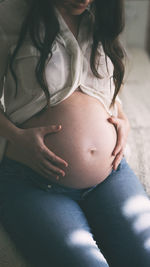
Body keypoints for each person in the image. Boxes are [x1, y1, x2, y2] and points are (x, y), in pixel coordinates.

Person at [0, 0, 150, 266]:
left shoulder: (103, 19)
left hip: (110, 177)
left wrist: (123, 120)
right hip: (33, 182)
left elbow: (110, 92)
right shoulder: (12, 16)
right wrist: (16, 136)